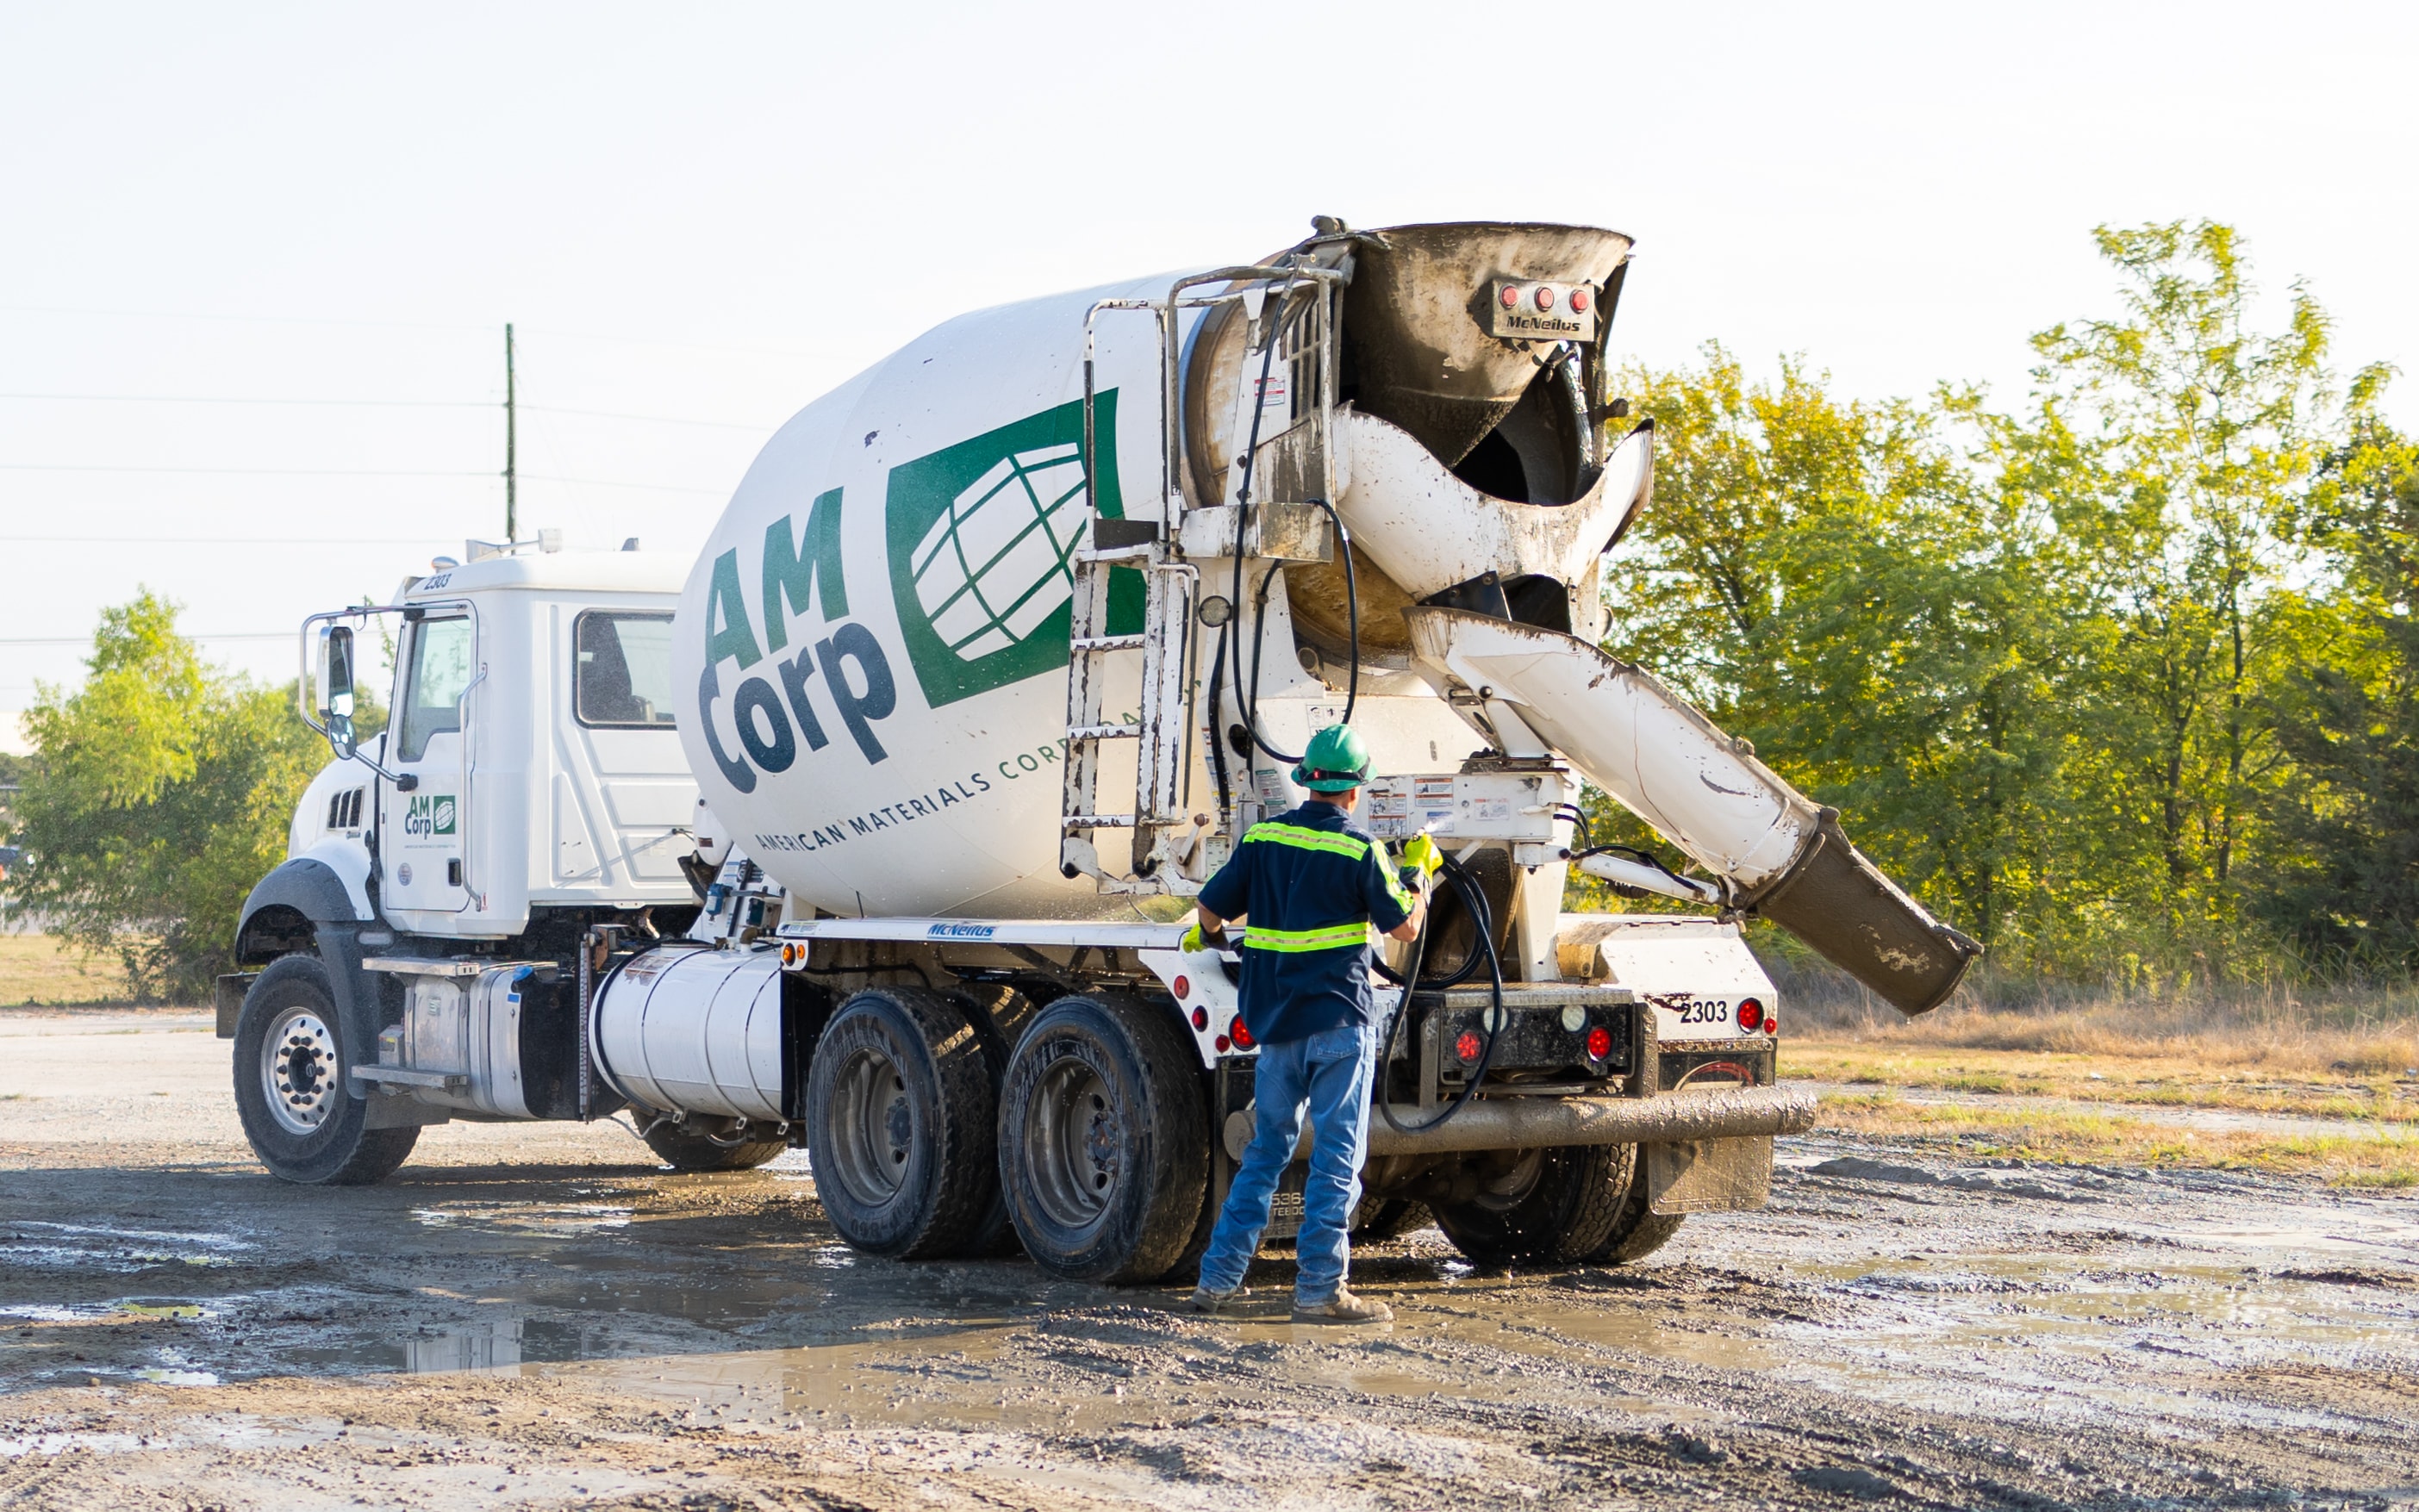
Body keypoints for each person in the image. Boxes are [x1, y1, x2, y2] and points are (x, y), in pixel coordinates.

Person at [1182, 724, 1440, 1324]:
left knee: (1265, 1151)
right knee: (1335, 1156)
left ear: (1306, 783)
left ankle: (1216, 1283)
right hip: (1337, 1025)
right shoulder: (1359, 849)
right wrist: (1420, 875)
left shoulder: (1263, 837)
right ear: (1354, 791)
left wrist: (1214, 936)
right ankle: (1321, 1290)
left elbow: (1208, 908)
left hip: (1276, 1027)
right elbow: (1403, 927)